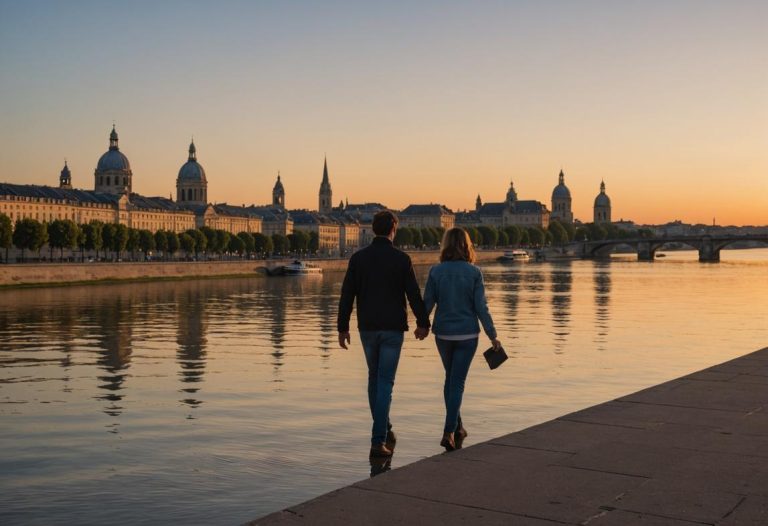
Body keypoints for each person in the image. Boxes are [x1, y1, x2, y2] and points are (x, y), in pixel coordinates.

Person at [337, 210, 431, 458]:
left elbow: (347, 295)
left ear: (374, 229)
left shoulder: (358, 259)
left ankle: (385, 427)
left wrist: (342, 327)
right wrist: (423, 323)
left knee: (373, 379)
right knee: (385, 382)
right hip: (392, 328)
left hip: (367, 327)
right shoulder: (401, 259)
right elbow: (413, 294)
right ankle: (378, 440)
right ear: (393, 230)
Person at [424, 227, 501, 451]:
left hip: (444, 334)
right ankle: (449, 431)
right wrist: (492, 335)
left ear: (445, 245)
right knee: (456, 381)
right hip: (467, 334)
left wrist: (422, 325)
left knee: (450, 380)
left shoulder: (436, 272)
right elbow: (481, 308)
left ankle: (458, 427)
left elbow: (427, 303)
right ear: (467, 246)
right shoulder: (474, 272)